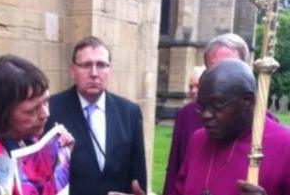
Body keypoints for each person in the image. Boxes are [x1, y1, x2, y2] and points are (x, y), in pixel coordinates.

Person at [45, 36, 147, 195]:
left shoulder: (129, 113)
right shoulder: (51, 110)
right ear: (72, 71)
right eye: (86, 65)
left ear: (109, 70)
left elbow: (138, 177)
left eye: (101, 65)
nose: (94, 73)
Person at [172, 59, 290, 195]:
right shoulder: (198, 140)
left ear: (247, 100)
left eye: (216, 105)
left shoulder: (285, 146)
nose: (205, 115)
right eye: (201, 106)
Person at [162, 33, 253, 195]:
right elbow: (175, 176)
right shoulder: (190, 120)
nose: (206, 115)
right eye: (211, 69)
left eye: (228, 66)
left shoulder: (281, 143)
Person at [0, 55, 74, 195]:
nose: (46, 113)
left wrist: (60, 160)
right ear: (2, 112)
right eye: (32, 110)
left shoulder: (27, 139)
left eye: (46, 102)